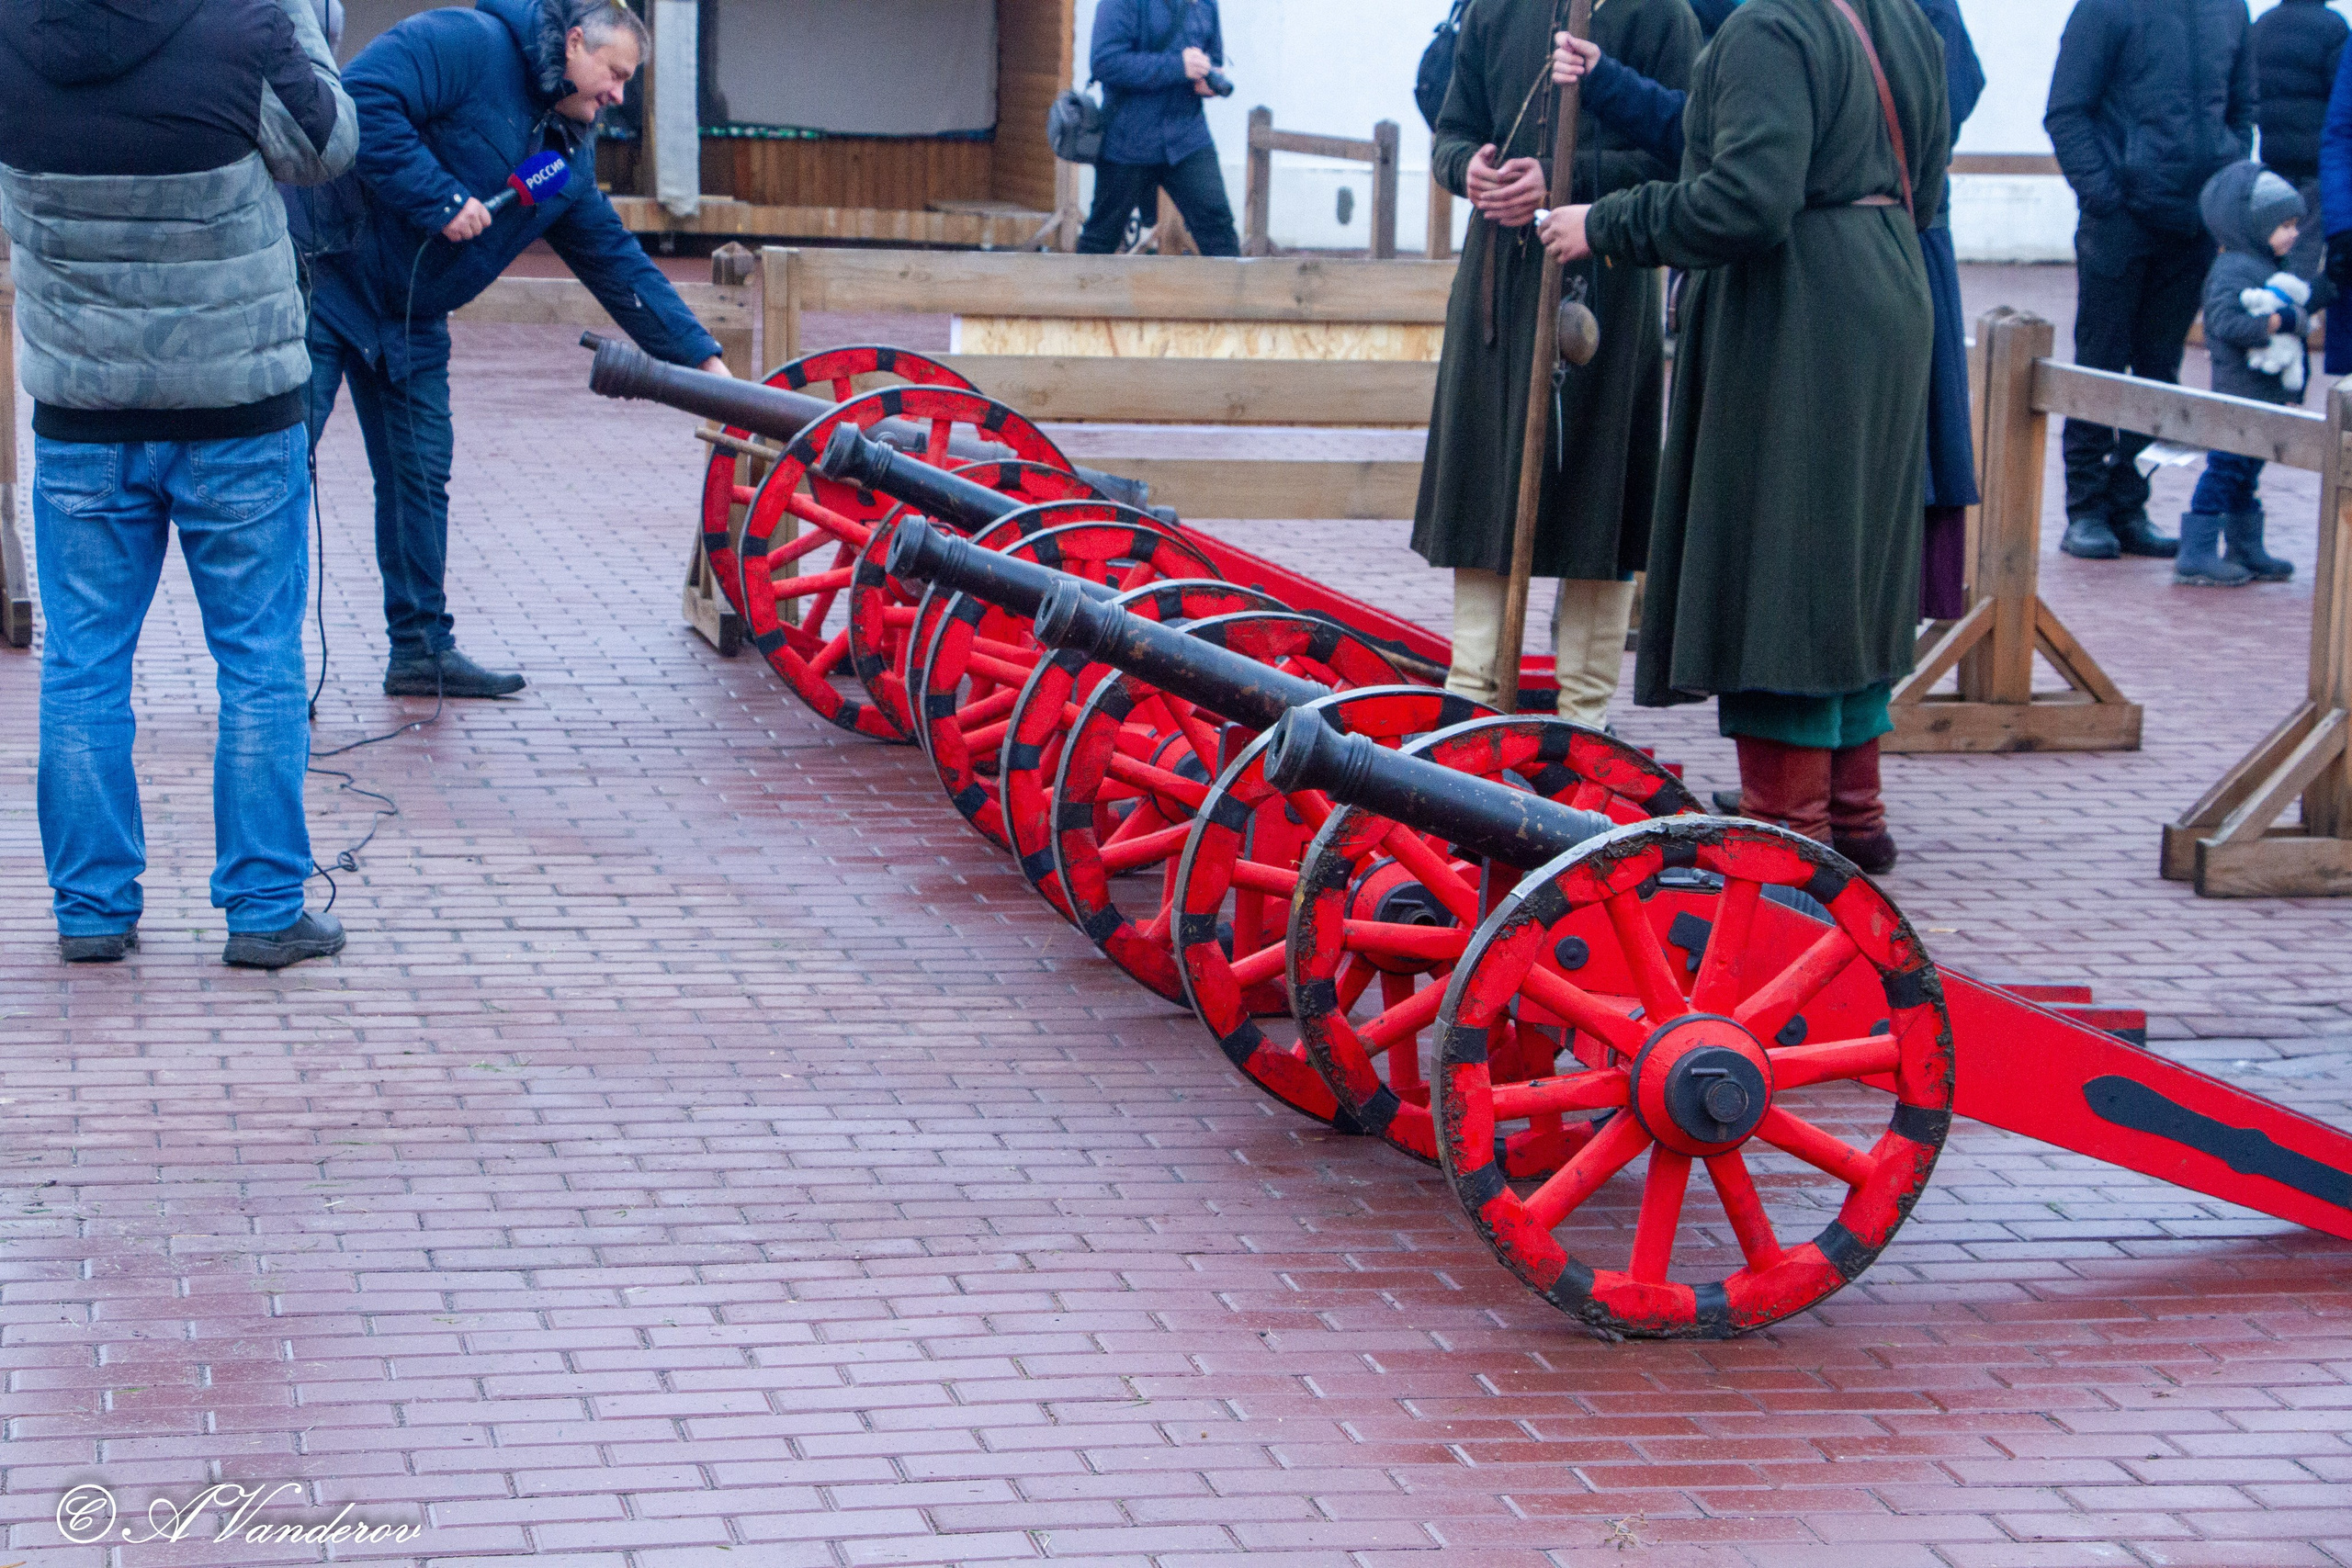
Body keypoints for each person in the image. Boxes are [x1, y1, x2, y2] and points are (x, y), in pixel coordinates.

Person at [1538, 0, 1949, 863]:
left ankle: (1790, 832)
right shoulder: (1902, 19)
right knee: (1848, 562)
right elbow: (1931, 183)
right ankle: (1854, 810)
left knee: (1783, 563)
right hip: (1888, 287)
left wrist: (1602, 223)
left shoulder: (1770, 25)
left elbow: (1747, 201)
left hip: (1799, 309)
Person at [0, 0, 357, 969]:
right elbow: (327, 146)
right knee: (258, 662)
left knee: (80, 668)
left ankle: (91, 912)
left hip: (80, 411)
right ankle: (264, 909)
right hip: (235, 409)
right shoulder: (244, 25)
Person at [303, 0, 731, 700]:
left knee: (420, 478)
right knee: (282, 472)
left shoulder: (564, 157)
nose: (620, 95)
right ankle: (271, 675)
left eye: (629, 82)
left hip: (411, 314)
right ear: (572, 44)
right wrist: (438, 198)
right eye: (615, 74)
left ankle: (420, 649)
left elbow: (617, 264)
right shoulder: (464, 43)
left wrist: (705, 363)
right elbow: (360, 103)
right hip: (326, 276)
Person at [1412, 0, 1699, 728]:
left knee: (1600, 498)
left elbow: (1684, 152)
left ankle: (1585, 720)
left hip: (1606, 276)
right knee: (1484, 487)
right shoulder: (1496, 7)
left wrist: (1568, 179)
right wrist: (1467, 170)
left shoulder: (1662, 13)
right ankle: (1470, 700)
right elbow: (1452, 129)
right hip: (1497, 284)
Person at [2044, 0, 2253, 563]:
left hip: (2193, 226)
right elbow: (2067, 111)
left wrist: (2222, 188)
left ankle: (2130, 505)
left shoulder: (2229, 10)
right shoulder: (2106, 8)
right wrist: (2105, 196)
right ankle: (2086, 509)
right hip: (2120, 221)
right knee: (2100, 361)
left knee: (2160, 371)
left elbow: (2241, 109)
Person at [2179, 164, 2324, 586]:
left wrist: (2294, 387)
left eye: (2296, 224)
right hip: (2238, 392)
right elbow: (2223, 324)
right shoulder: (2233, 270)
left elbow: (2295, 334)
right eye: (2284, 225)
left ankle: (2244, 545)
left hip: (2265, 394)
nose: (2293, 233)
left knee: (2247, 472)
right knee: (2225, 468)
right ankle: (2197, 549)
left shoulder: (2265, 269)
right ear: (2253, 225)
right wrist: (2275, 323)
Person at [1078, 0, 1240, 256]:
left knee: (1219, 233)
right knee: (1101, 239)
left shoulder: (1207, 3)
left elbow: (1214, 58)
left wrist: (1209, 81)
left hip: (1187, 139)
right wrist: (1178, 67)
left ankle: (1234, 299)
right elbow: (1105, 62)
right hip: (1128, 140)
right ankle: (1076, 296)